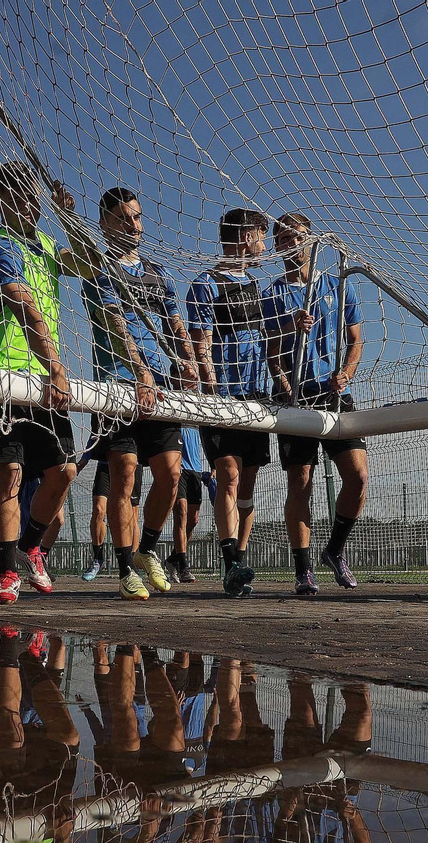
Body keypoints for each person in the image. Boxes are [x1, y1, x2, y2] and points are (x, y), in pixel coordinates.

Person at [0, 161, 96, 605]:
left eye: (35, 194)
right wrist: (56, 366)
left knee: (63, 471)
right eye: (21, 194)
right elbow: (21, 303)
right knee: (8, 473)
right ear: (3, 199)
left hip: (48, 382)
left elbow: (89, 264)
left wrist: (69, 218)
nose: (32, 202)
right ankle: (8, 571)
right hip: (7, 379)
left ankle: (31, 547)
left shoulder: (45, 244)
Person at [82, 187, 196, 599]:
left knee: (171, 473)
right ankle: (125, 567)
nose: (135, 226)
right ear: (105, 223)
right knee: (124, 474)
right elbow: (117, 326)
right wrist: (141, 374)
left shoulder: (158, 272)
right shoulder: (98, 273)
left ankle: (148, 549)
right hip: (116, 388)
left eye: (138, 217)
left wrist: (187, 361)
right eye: (125, 218)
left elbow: (175, 323)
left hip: (158, 390)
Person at [265, 213, 369, 596]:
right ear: (277, 246)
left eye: (300, 236)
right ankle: (303, 569)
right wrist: (284, 384)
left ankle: (335, 550)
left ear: (312, 241)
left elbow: (357, 340)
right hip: (295, 397)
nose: (294, 243)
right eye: (286, 238)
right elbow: (270, 352)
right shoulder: (273, 294)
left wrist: (347, 373)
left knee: (358, 476)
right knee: (301, 481)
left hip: (335, 394)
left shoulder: (336, 285)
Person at [188, 208, 273, 598]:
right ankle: (230, 563)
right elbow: (201, 342)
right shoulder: (206, 284)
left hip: (255, 396)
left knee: (248, 482)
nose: (264, 244)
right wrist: (212, 391)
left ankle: (240, 559)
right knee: (228, 473)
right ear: (244, 236)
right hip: (221, 398)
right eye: (261, 235)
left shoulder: (255, 284)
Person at [83, 460, 144, 581]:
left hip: (132, 463)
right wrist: (83, 460)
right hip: (106, 463)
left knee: (132, 514)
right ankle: (98, 558)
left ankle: (130, 562)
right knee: (99, 508)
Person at [165, 426, 206, 583]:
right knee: (181, 512)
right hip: (179, 468)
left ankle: (172, 559)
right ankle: (183, 566)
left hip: (195, 470)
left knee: (193, 520)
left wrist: (213, 467)